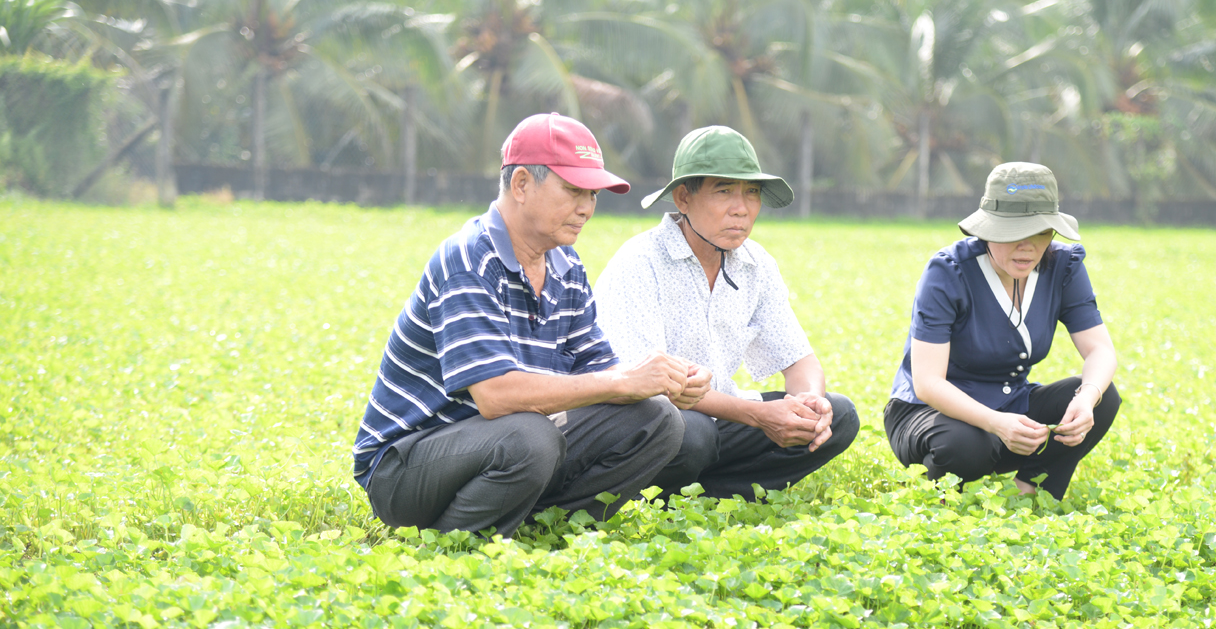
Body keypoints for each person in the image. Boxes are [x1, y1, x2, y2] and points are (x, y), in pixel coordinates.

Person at [352, 113, 710, 537]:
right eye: (574, 190)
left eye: (592, 194)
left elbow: (598, 369)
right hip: (408, 467)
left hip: (501, 443)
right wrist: (623, 382)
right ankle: (458, 544)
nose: (586, 208)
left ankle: (543, 529)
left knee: (658, 420)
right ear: (521, 184)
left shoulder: (565, 265)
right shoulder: (468, 260)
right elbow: (496, 397)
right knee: (529, 437)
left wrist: (666, 377)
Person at [594, 125, 859, 501]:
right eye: (724, 191)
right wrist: (759, 416)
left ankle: (707, 497)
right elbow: (651, 388)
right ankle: (673, 493)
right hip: (650, 422)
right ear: (683, 198)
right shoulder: (640, 262)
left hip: (721, 417)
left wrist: (808, 404)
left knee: (840, 413)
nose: (742, 207)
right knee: (692, 434)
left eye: (751, 193)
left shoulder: (756, 263)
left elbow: (800, 361)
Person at [884, 162, 1120, 500]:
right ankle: (949, 492)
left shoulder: (1063, 267)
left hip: (1011, 403)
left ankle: (1031, 488)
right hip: (929, 412)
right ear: (988, 230)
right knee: (966, 444)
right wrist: (995, 423)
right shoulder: (949, 272)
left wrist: (1086, 399)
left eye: (1040, 232)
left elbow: (1100, 350)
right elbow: (927, 383)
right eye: (1012, 233)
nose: (1026, 247)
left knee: (1103, 396)